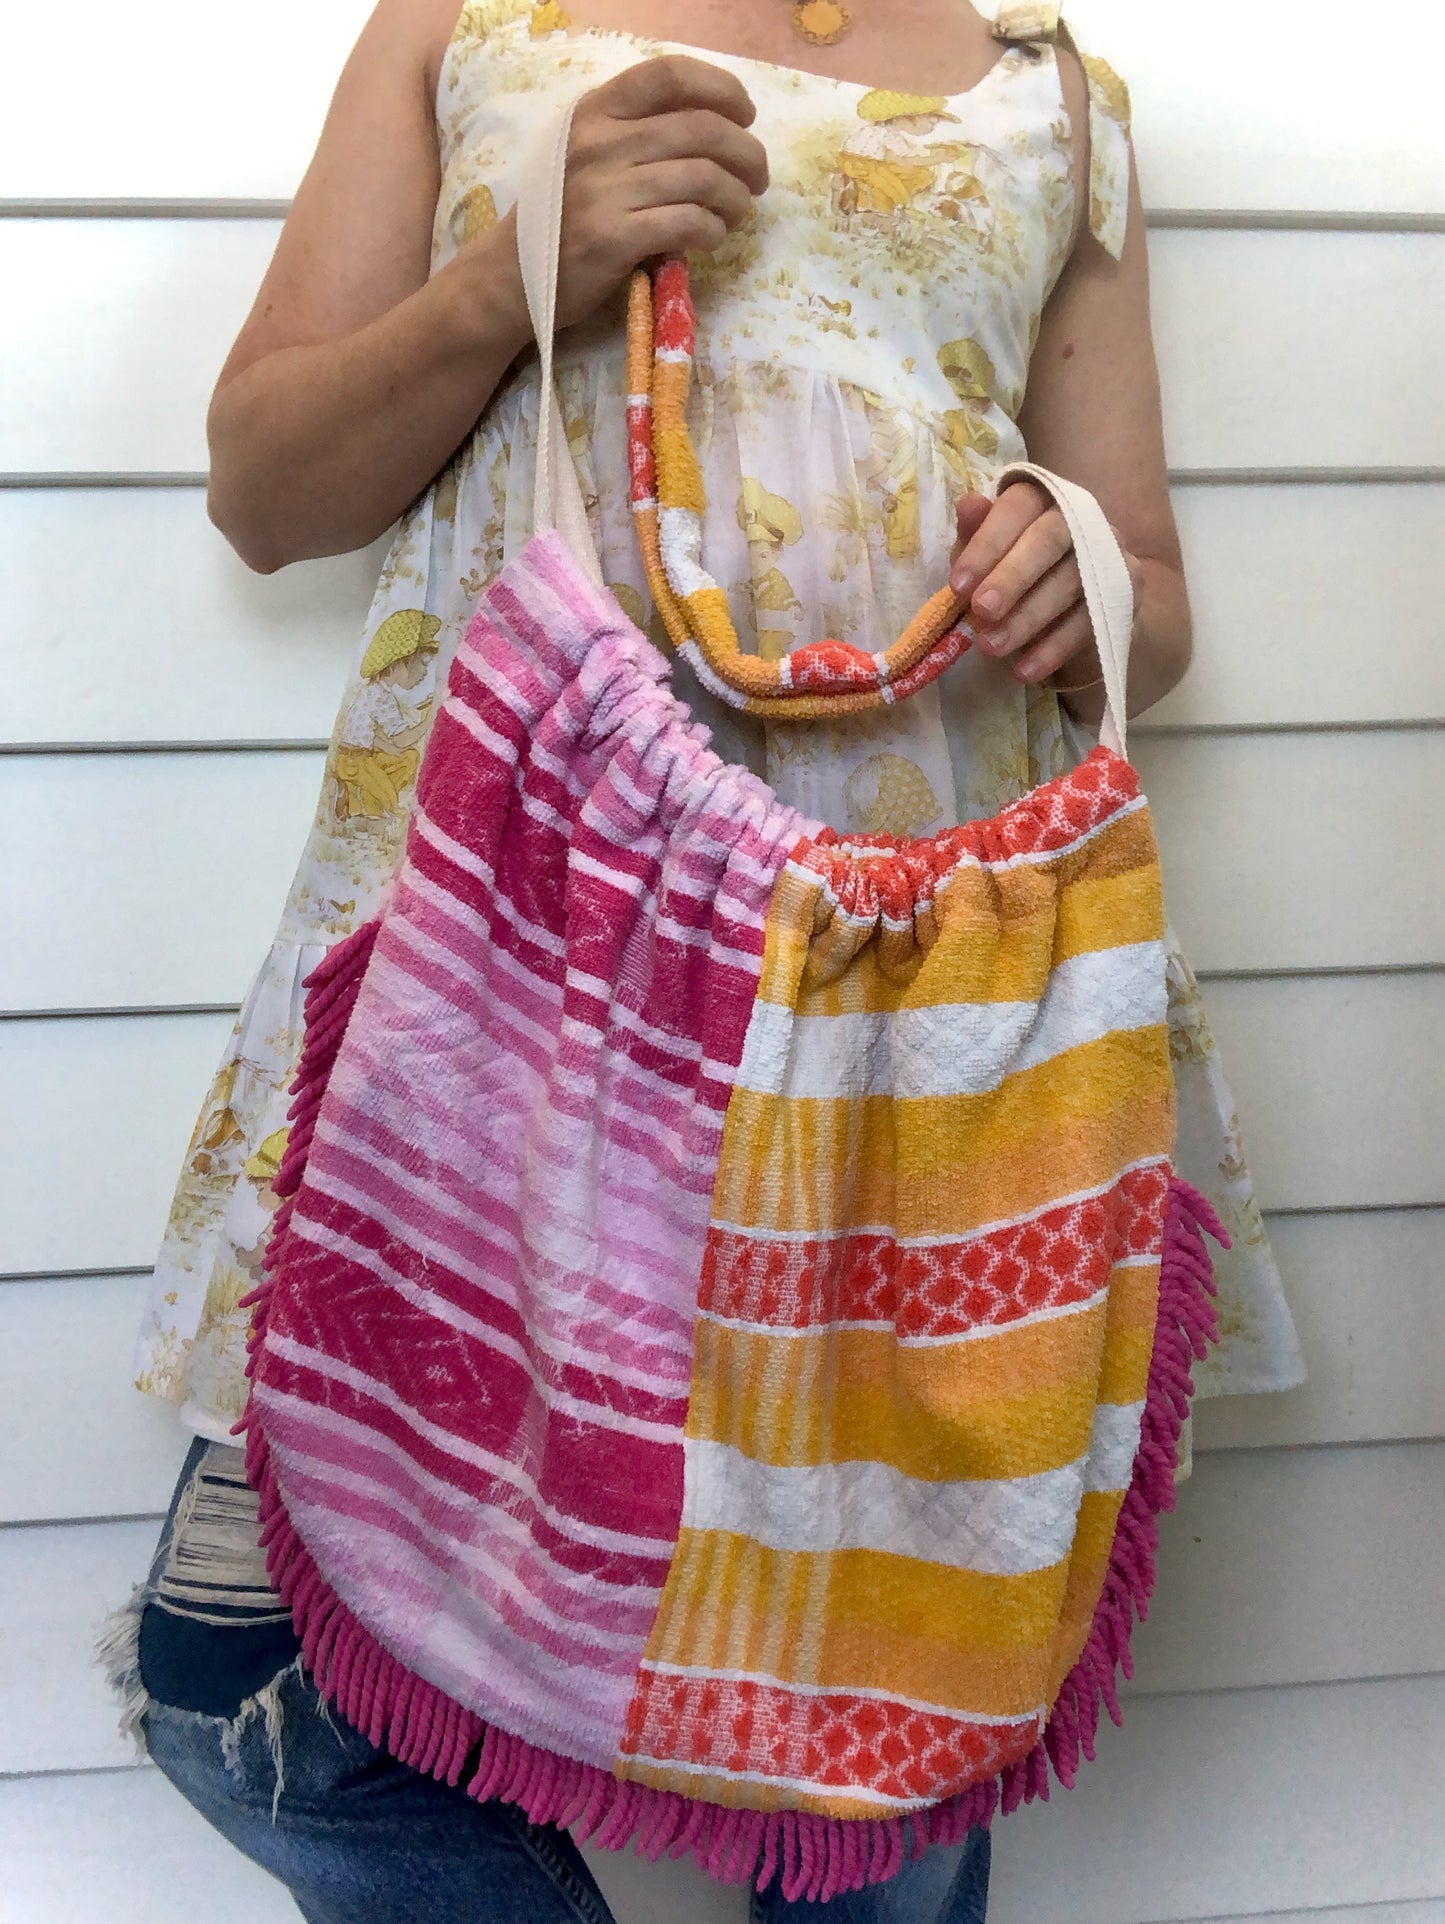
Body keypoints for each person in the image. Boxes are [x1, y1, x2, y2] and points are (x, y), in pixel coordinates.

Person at [114, 3, 1305, 1919]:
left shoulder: (1050, 92)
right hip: (515, 940)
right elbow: (267, 492)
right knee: (243, 1671)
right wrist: (516, 264)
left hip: (903, 981)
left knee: (880, 1693)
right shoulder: (464, 20)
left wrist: (1078, 566)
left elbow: (1149, 607)